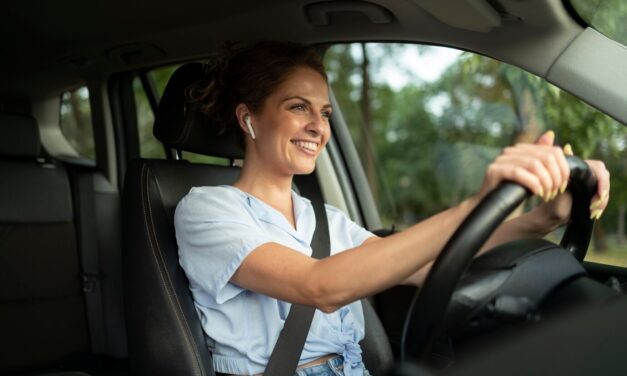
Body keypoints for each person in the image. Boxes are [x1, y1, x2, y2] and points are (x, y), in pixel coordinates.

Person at [174, 42, 611, 376]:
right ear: (248, 118)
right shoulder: (207, 211)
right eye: (297, 107)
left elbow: (424, 265)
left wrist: (542, 220)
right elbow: (319, 286)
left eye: (324, 112)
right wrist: (474, 203)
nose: (318, 127)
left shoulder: (323, 218)